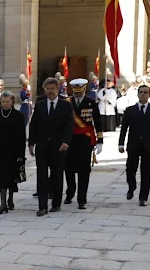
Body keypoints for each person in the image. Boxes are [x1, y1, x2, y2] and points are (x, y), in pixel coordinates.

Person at [29, 77, 73, 216]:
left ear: (58, 89)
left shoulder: (65, 105)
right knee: (41, 177)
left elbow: (69, 126)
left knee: (57, 176)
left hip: (58, 147)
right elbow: (34, 125)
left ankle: (56, 203)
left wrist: (66, 142)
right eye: (47, 89)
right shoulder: (40, 104)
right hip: (42, 147)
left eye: (52, 89)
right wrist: (31, 143)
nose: (50, 91)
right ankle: (42, 206)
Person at [118, 84, 150, 206]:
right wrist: (120, 144)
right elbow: (124, 129)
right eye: (141, 92)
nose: (143, 94)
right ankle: (131, 187)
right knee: (130, 169)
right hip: (133, 144)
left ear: (149, 95)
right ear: (137, 94)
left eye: (145, 92)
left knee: (146, 171)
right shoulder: (130, 110)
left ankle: (143, 197)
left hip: (147, 144)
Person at [64, 79, 103, 209]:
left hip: (85, 141)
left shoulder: (91, 103)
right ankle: (70, 193)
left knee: (84, 171)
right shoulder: (66, 103)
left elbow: (98, 122)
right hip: (69, 140)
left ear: (84, 90)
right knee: (68, 169)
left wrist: (100, 141)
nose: (77, 94)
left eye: (79, 92)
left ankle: (82, 198)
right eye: (75, 92)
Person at [0, 91, 26, 214]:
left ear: (12, 102)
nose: (5, 104)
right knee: (1, 178)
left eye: (7, 102)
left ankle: (10, 199)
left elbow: (22, 136)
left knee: (12, 177)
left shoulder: (18, 116)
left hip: (14, 152)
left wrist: (21, 154)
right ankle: (2, 203)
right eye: (3, 102)